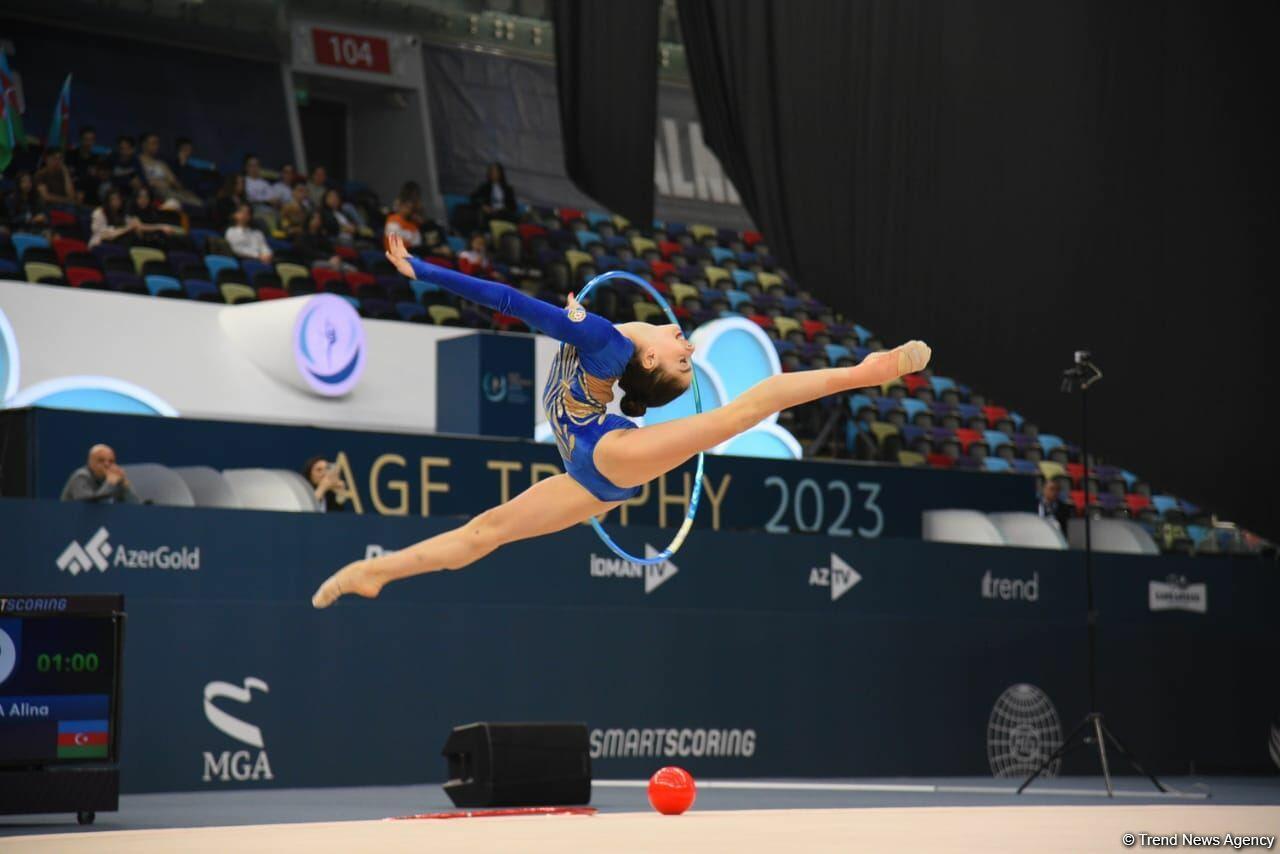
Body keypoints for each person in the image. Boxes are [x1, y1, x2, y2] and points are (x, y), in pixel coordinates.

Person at [311, 234, 930, 607]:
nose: (689, 344)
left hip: (604, 454)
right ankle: (374, 572)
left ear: (650, 361)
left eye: (683, 358)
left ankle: (864, 372)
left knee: (743, 412)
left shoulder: (605, 342)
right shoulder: (610, 341)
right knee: (483, 533)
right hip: (587, 468)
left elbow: (508, 301)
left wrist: (425, 272)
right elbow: (515, 304)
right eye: (688, 356)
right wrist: (428, 273)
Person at [60, 444, 140, 504]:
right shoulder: (81, 476)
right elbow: (91, 507)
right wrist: (109, 483)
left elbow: (136, 507)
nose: (107, 464)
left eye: (111, 461)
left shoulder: (114, 479)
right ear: (90, 462)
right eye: (101, 460)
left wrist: (124, 484)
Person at [138, 132, 200, 208]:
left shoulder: (160, 163)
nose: (157, 146)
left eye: (157, 143)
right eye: (153, 143)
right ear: (144, 144)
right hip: (155, 192)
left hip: (170, 190)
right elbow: (145, 181)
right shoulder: (138, 161)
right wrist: (156, 183)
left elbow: (173, 181)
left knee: (196, 200)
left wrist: (184, 191)